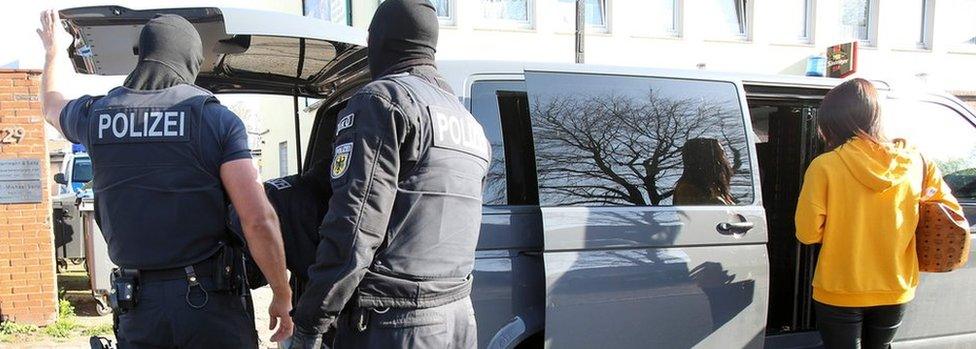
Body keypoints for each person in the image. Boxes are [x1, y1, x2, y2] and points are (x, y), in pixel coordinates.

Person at [37, 10, 293, 348]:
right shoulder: (213, 119)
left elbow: (50, 104)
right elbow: (258, 218)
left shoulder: (95, 116)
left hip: (139, 308)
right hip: (209, 303)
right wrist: (281, 292)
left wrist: (54, 49)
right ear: (189, 58)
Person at [287, 0, 491, 347]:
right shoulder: (469, 124)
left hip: (395, 324)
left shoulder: (382, 101)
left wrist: (311, 320)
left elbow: (355, 226)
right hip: (458, 319)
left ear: (381, 40)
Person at [795, 78, 963, 349]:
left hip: (840, 288)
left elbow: (807, 232)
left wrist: (843, 228)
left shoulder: (824, 166)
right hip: (896, 286)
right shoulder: (917, 162)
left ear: (832, 123)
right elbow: (947, 210)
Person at [673, 138, 735, 205]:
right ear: (708, 159)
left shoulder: (716, 187)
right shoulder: (687, 190)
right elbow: (697, 215)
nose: (726, 158)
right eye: (721, 153)